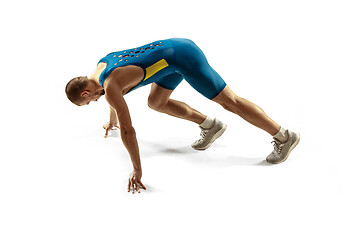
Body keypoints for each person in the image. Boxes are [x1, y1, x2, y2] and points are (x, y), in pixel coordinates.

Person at [65, 38, 300, 194]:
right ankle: (211, 126)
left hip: (183, 57)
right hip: (170, 56)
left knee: (231, 102)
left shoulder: (111, 85)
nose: (94, 101)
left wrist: (137, 169)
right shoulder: (101, 66)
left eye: (89, 101)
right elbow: (112, 96)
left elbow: (129, 129)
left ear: (85, 92)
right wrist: (112, 120)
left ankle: (283, 136)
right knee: (156, 102)